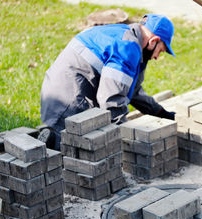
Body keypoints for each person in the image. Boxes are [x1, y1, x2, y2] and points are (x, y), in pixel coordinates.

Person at [38, 14, 176, 150]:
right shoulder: (128, 47)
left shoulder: (124, 35)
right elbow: (112, 100)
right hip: (68, 102)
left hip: (56, 90)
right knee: (72, 151)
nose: (157, 57)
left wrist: (160, 112)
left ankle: (49, 140)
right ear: (153, 41)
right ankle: (52, 142)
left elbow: (131, 92)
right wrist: (125, 138)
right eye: (161, 50)